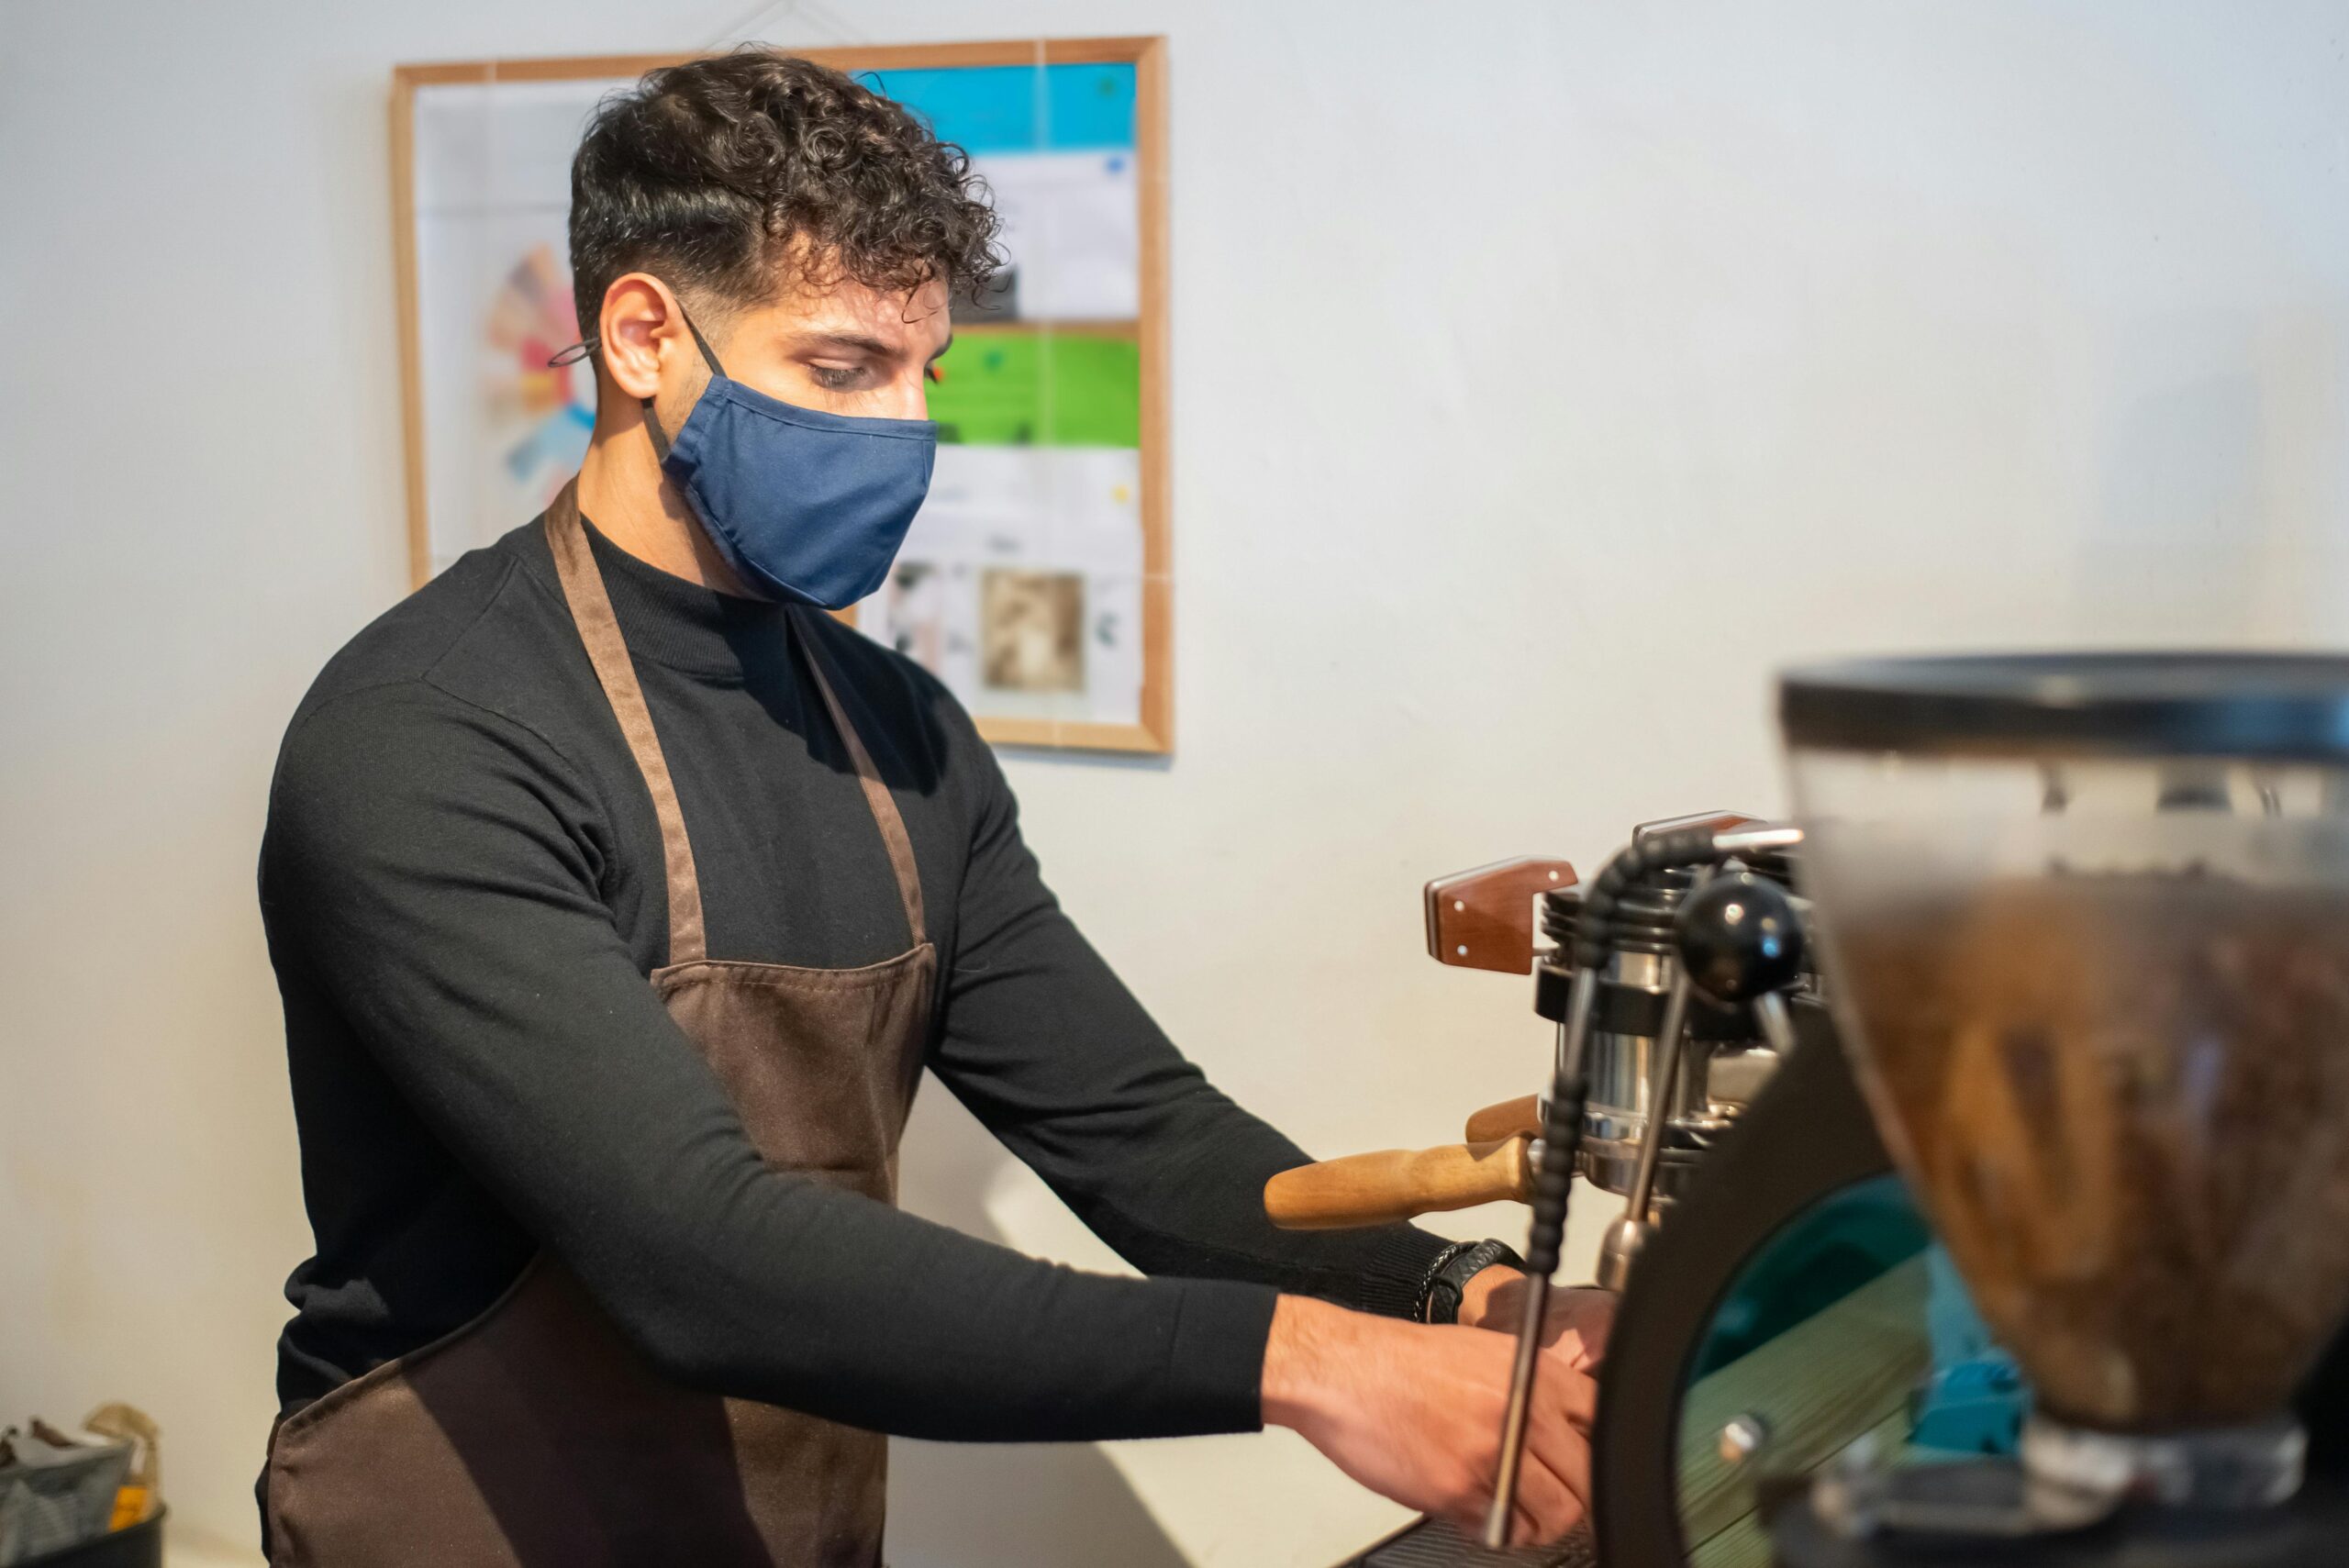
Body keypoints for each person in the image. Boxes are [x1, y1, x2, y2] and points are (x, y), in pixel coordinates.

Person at [257, 50, 1609, 1565]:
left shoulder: (899, 734)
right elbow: (699, 1256)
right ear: (644, 335)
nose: (905, 433)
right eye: (843, 371)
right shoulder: (428, 735)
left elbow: (1144, 1138)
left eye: (924, 374)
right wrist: (1305, 1363)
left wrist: (1473, 1296)